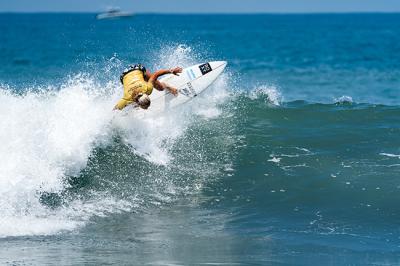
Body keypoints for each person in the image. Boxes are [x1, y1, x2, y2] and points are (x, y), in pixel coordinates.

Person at [114, 64, 182, 110]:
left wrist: (171, 71)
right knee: (130, 107)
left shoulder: (147, 88)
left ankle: (167, 86)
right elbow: (114, 111)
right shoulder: (126, 99)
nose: (147, 109)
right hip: (125, 74)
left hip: (138, 69)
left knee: (160, 88)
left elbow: (156, 74)